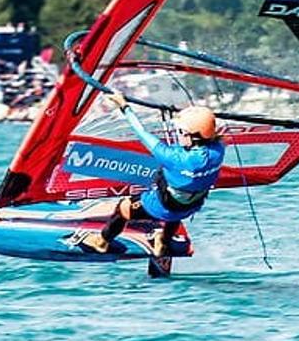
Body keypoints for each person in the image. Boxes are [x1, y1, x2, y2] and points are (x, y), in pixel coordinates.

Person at [80, 93, 226, 257]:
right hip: (192, 206)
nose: (177, 134)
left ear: (190, 135)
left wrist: (124, 105)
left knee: (124, 207)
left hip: (162, 206)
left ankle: (101, 242)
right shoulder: (218, 150)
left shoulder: (173, 158)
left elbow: (141, 132)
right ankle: (162, 242)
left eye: (179, 132)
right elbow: (205, 136)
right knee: (178, 199)